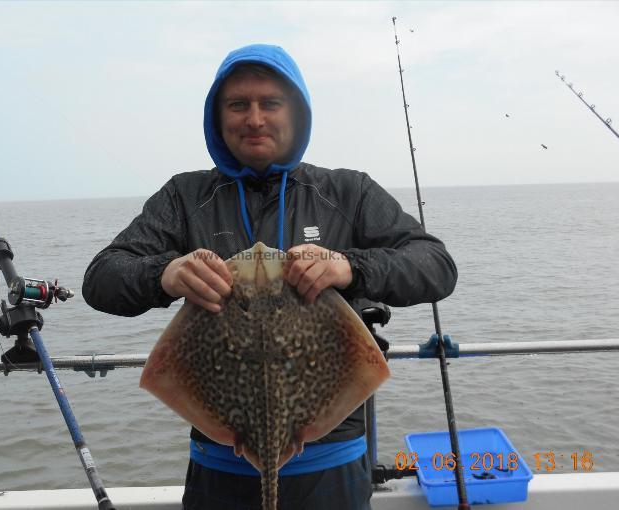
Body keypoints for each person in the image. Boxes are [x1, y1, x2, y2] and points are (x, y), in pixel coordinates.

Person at [83, 43, 457, 510]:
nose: (254, 118)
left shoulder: (348, 191)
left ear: (297, 114)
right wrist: (166, 272)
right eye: (238, 104)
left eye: (270, 103)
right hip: (219, 463)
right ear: (217, 118)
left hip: (331, 459)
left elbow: (436, 266)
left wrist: (350, 267)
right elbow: (101, 278)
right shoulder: (185, 196)